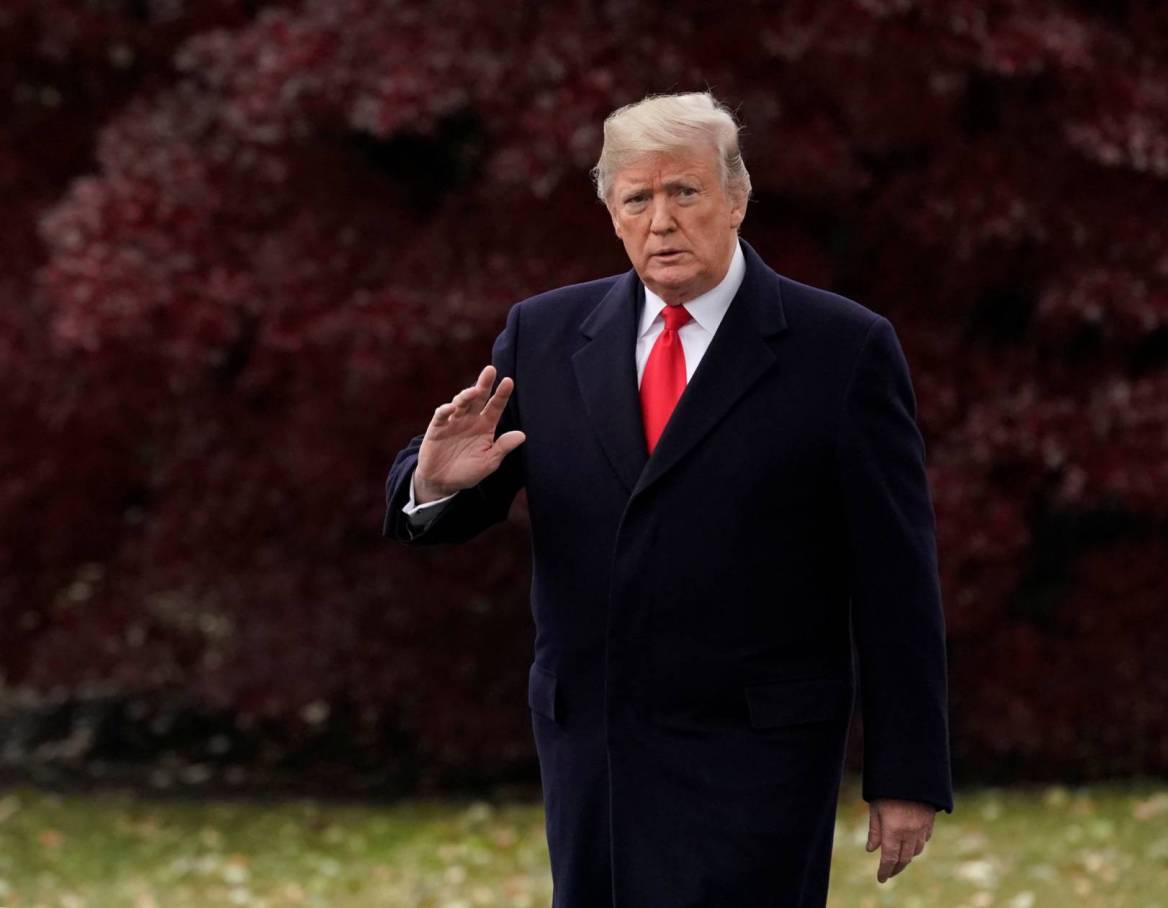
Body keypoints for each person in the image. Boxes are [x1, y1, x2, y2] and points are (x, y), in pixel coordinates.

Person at [382, 91, 952, 908]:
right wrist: (432, 482)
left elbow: (897, 577)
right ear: (611, 213)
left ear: (736, 197)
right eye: (637, 198)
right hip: (595, 751)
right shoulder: (541, 334)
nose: (661, 221)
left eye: (684, 192)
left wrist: (908, 773)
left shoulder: (844, 349)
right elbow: (453, 494)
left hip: (760, 754)